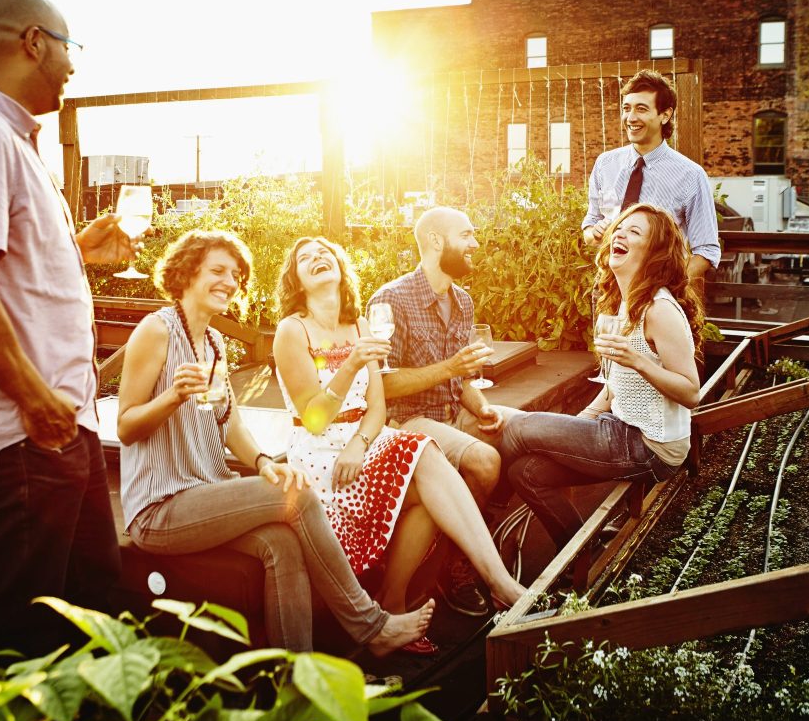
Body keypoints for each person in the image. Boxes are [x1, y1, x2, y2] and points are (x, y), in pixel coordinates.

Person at [0, 0, 137, 655]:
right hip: (26, 435)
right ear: (34, 41)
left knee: (93, 619)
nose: (74, 66)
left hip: (57, 426)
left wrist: (76, 254)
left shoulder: (9, 140)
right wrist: (37, 404)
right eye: (70, 47)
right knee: (22, 638)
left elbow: (6, 272)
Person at [116, 229, 434, 655]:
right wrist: (172, 397)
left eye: (235, 275)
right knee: (297, 494)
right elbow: (125, 426)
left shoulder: (212, 343)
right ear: (188, 272)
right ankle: (371, 625)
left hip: (206, 491)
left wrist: (265, 462)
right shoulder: (157, 331)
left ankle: (294, 682)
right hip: (160, 505)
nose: (230, 281)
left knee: (281, 544)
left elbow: (227, 422)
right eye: (218, 271)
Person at [273, 236, 528, 646]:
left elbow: (376, 406)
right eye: (305, 257)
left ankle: (400, 598)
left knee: (423, 459)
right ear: (297, 280)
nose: (317, 257)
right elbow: (315, 418)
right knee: (421, 452)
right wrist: (352, 362)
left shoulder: (359, 325)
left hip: (363, 440)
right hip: (320, 453)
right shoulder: (292, 331)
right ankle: (494, 584)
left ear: (340, 266)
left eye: (325, 251)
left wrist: (361, 443)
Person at [502, 203, 704, 551]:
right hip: (621, 429)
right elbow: (616, 386)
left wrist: (639, 361)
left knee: (516, 427)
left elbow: (691, 393)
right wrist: (579, 425)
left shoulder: (659, 309)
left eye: (635, 231)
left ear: (654, 253)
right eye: (621, 227)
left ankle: (486, 515)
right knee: (526, 472)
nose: (621, 233)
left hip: (652, 446)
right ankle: (583, 552)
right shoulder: (619, 305)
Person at [366, 206, 522, 616]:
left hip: (453, 414)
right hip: (409, 422)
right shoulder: (390, 299)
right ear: (436, 240)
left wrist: (482, 406)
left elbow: (461, 379)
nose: (475, 244)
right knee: (486, 462)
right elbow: (381, 385)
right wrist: (453, 369)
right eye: (466, 235)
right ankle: (457, 566)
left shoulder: (464, 301)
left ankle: (456, 547)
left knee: (519, 435)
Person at [581, 69, 720, 297]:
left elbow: (706, 251)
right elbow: (590, 222)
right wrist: (593, 233)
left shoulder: (691, 175)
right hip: (607, 290)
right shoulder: (606, 164)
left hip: (658, 298)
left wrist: (664, 288)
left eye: (641, 109)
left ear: (665, 115)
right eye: (627, 108)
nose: (631, 118)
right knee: (606, 335)